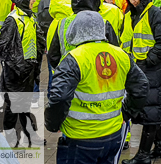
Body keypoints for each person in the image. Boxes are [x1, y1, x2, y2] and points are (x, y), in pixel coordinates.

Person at [45, 11, 149, 164]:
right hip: (113, 135)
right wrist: (125, 114)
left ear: (75, 30)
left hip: (80, 136)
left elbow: (59, 97)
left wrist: (53, 124)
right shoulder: (121, 55)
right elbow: (141, 87)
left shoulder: (73, 59)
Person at [120, 0, 161, 164]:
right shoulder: (128, 15)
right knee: (149, 111)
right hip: (135, 70)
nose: (133, 1)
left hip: (150, 70)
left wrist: (149, 60)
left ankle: (143, 155)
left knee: (149, 112)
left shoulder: (154, 13)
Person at [46, 0, 119, 68]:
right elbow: (115, 51)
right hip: (96, 74)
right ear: (94, 1)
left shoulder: (62, 23)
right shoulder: (103, 23)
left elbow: (53, 55)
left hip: (69, 74)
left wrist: (63, 69)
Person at [0, 0, 44, 93]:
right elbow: (5, 48)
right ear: (23, 0)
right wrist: (20, 67)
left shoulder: (31, 17)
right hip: (17, 72)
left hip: (28, 69)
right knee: (14, 105)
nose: (34, 1)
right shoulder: (13, 20)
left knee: (23, 105)